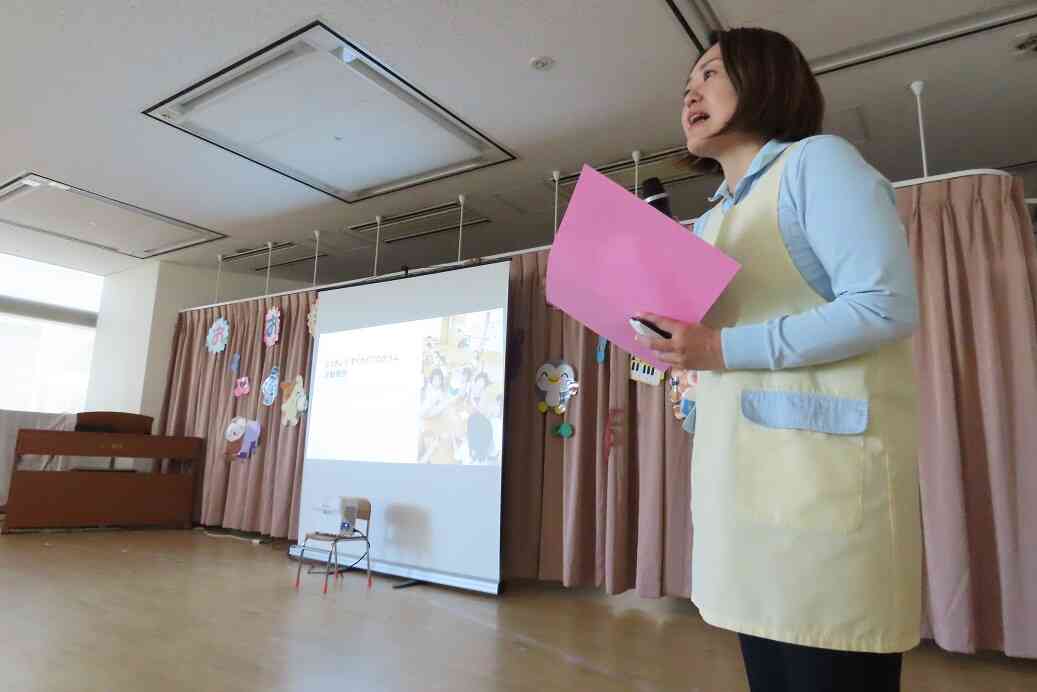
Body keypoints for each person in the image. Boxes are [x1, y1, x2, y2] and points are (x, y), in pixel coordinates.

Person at [635, 28, 922, 692]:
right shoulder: (709, 222)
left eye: (708, 74)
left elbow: (883, 306)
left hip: (819, 490)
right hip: (739, 486)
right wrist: (676, 349)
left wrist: (718, 348)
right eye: (685, 85)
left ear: (764, 79)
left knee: (828, 665)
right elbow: (714, 347)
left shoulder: (817, 163)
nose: (690, 92)